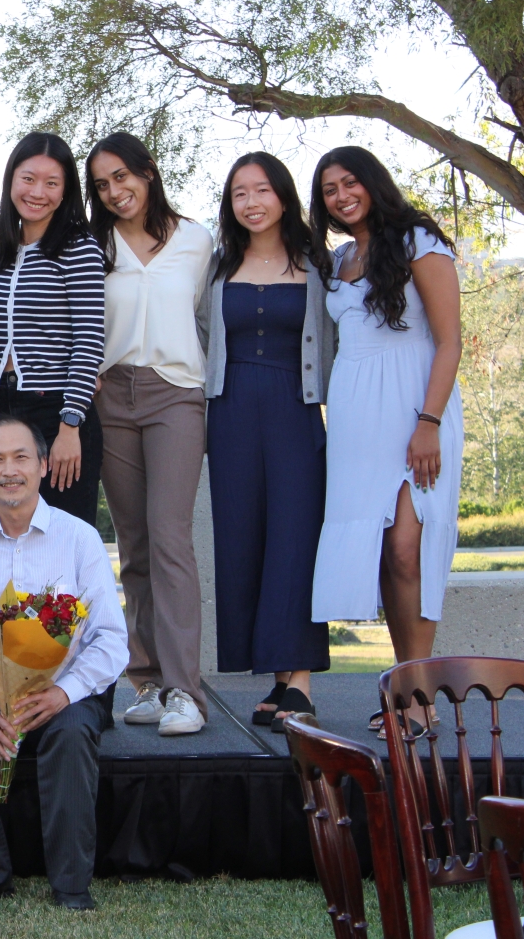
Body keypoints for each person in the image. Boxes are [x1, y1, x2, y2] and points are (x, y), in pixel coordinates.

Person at [0, 415, 128, 911]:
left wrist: (64, 692)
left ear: (43, 465)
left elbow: (109, 639)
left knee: (71, 734)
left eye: (21, 457)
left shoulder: (79, 539)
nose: (9, 470)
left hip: (66, 692)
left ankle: (70, 884)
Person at [308, 146, 462, 736]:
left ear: (373, 183)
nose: (342, 196)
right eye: (329, 190)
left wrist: (428, 421)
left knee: (408, 549)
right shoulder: (342, 257)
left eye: (351, 183)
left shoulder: (418, 240)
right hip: (353, 419)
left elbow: (449, 341)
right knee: (380, 555)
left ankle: (418, 695)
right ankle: (403, 687)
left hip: (414, 408)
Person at [198, 152, 334, 730]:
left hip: (294, 408)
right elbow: (203, 334)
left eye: (261, 190)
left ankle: (299, 682)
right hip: (229, 412)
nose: (251, 203)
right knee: (242, 540)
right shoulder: (216, 266)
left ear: (283, 196)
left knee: (297, 537)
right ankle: (275, 679)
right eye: (238, 194)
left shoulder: (319, 263)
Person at [86, 132, 213, 737]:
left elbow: (212, 321)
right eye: (103, 184)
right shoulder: (94, 245)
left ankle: (187, 691)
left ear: (148, 171)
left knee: (169, 539)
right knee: (132, 544)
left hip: (175, 395)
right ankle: (148, 682)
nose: (115, 192)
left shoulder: (196, 240)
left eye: (122, 177)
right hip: (112, 394)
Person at [0, 131, 105, 527]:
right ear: (11, 180)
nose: (38, 192)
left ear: (66, 191)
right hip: (0, 406)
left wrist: (71, 424)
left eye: (52, 183)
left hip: (56, 409)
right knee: (11, 530)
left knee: (63, 533)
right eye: (28, 178)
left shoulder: (78, 247)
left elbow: (89, 339)